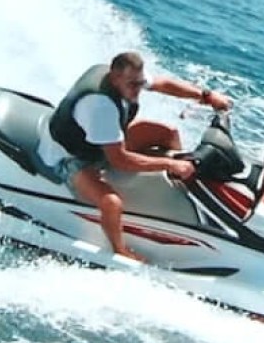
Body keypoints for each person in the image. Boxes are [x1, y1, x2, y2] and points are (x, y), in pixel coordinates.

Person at [37, 51, 232, 262]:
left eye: (140, 83)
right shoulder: (100, 107)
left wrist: (206, 96)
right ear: (114, 78)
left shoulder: (128, 78)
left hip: (96, 142)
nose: (138, 90)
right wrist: (169, 164)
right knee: (112, 203)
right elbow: (119, 160)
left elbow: (162, 84)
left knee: (167, 133)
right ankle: (119, 249)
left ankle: (179, 187)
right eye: (133, 85)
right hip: (70, 156)